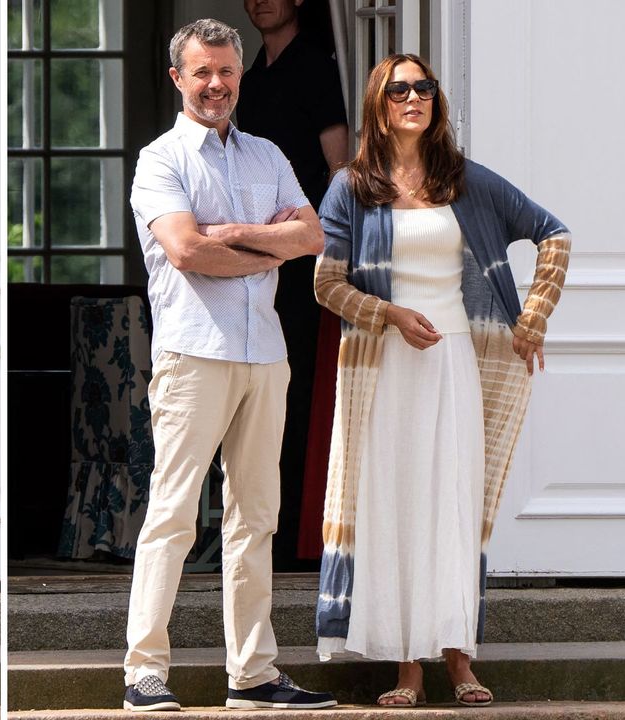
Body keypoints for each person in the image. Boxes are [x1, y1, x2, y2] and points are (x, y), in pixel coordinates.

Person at [313, 54, 570, 707]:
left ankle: (459, 658)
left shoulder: (465, 181)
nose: (413, 97)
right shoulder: (352, 187)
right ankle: (407, 669)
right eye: (399, 89)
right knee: (396, 510)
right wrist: (390, 314)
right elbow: (326, 284)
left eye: (423, 87)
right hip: (384, 368)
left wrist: (532, 317)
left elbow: (553, 235)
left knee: (452, 507)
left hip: (456, 362)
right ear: (378, 103)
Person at [121, 19, 336, 712]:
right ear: (177, 78)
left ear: (239, 78)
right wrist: (272, 244)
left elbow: (312, 235)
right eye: (202, 72)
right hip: (193, 354)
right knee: (174, 516)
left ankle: (253, 674)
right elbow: (186, 252)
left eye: (226, 72)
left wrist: (240, 234)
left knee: (256, 518)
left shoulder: (267, 154)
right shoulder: (160, 160)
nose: (216, 85)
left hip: (265, 355)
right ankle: (143, 673)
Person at [238, 0, 349, 568]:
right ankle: (269, 534)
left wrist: (327, 239)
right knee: (261, 386)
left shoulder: (317, 66)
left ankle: (305, 536)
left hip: (308, 257)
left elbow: (340, 167)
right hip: (255, 259)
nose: (261, 1)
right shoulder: (248, 77)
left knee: (301, 381)